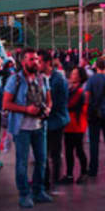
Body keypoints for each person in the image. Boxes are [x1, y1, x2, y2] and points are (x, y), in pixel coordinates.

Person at [3, 49, 51, 208]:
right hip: (22, 128)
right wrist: (26, 109)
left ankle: (38, 190)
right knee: (22, 162)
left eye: (37, 59)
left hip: (40, 126)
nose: (35, 62)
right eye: (31, 59)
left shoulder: (43, 79)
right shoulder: (14, 80)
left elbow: (49, 100)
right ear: (23, 62)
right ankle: (24, 193)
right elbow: (6, 104)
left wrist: (48, 109)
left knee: (41, 160)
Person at [42, 52, 69, 190]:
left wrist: (46, 109)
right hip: (45, 120)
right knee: (43, 153)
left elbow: (61, 101)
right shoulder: (40, 77)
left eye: (39, 61)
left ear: (47, 63)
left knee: (54, 152)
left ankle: (54, 181)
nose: (37, 64)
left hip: (56, 120)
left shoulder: (59, 79)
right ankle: (45, 180)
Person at [61, 67, 89, 183]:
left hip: (78, 124)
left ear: (80, 77)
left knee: (79, 150)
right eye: (72, 73)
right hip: (69, 124)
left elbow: (70, 103)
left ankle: (83, 172)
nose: (71, 75)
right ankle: (69, 174)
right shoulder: (70, 88)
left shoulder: (81, 91)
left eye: (74, 73)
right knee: (68, 151)